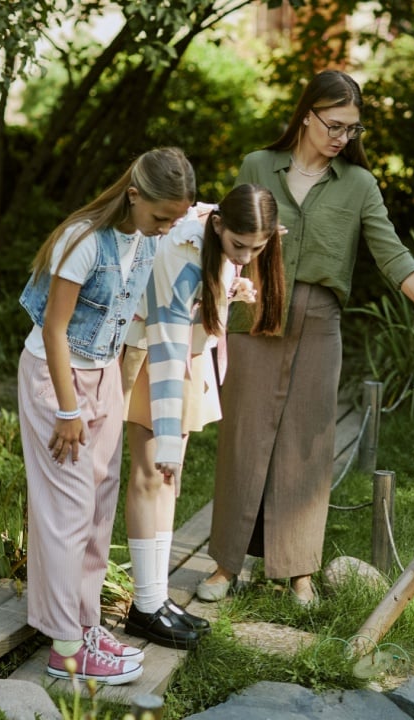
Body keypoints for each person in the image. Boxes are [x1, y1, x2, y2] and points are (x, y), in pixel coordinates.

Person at [196, 70, 414, 607]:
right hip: (255, 315)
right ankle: (226, 565)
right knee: (244, 438)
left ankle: (299, 572)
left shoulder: (359, 185)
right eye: (335, 124)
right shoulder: (257, 165)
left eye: (353, 129)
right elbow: (224, 235)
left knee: (308, 443)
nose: (343, 137)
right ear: (307, 115)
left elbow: (392, 254)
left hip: (320, 319)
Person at [17, 147, 195, 685]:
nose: (167, 230)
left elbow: (214, 219)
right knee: (66, 513)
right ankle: (65, 648)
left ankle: (86, 625)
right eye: (161, 217)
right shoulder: (82, 241)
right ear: (135, 195)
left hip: (105, 377)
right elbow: (54, 329)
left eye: (175, 220)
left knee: (97, 510)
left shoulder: (142, 239)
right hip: (59, 379)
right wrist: (70, 408)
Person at [119, 184, 286, 648]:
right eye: (239, 247)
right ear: (217, 226)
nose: (248, 254)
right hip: (154, 355)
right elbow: (168, 339)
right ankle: (144, 606)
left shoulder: (219, 236)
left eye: (258, 247)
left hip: (186, 356)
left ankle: (153, 597)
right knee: (151, 472)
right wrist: (169, 435)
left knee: (168, 479)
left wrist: (231, 287)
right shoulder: (182, 248)